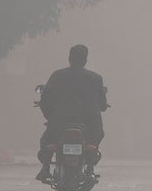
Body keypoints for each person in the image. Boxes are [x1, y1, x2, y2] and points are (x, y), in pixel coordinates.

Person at [36, 45, 108, 182]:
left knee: (47, 140)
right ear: (85, 60)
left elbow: (45, 100)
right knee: (95, 137)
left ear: (69, 58)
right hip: (88, 124)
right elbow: (103, 105)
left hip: (59, 123)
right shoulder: (96, 79)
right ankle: (90, 166)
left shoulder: (57, 76)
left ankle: (46, 167)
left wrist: (50, 116)